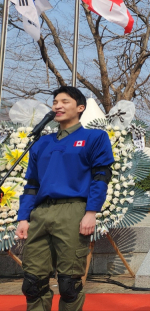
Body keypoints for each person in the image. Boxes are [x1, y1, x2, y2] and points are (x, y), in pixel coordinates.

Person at [15, 86, 114, 311]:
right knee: (32, 282)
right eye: (55, 102)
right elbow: (32, 184)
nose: (58, 106)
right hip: (40, 213)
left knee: (69, 284)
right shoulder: (41, 142)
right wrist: (23, 218)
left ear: (80, 108)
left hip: (73, 211)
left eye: (65, 101)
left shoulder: (94, 137)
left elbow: (101, 176)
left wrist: (91, 212)